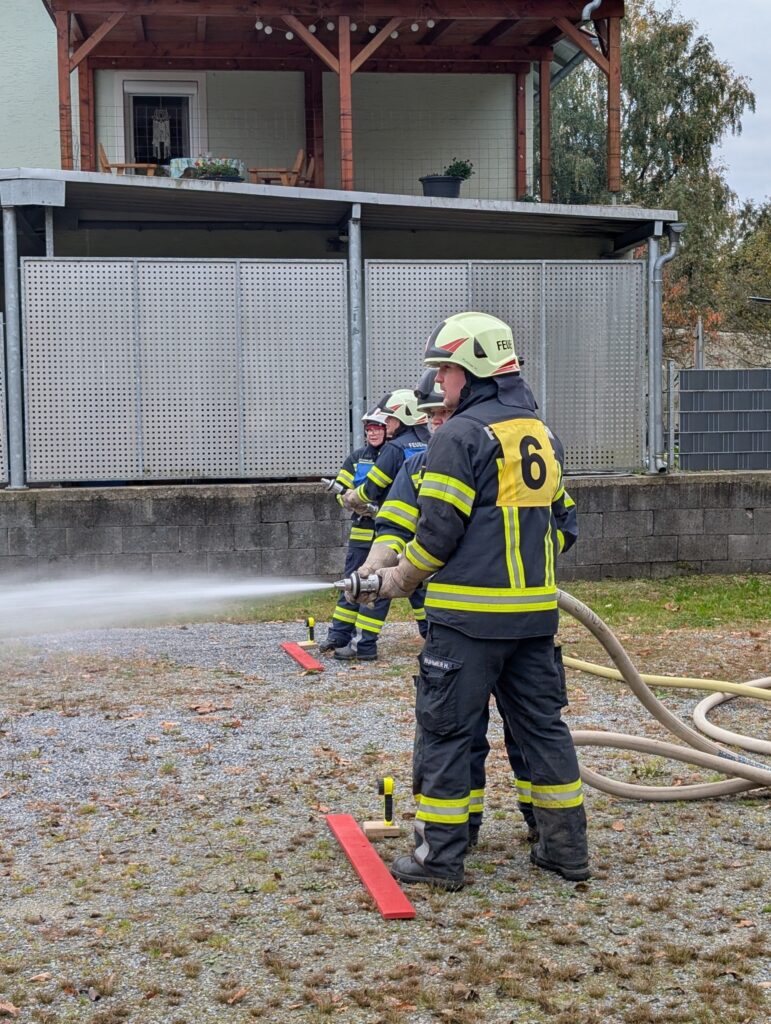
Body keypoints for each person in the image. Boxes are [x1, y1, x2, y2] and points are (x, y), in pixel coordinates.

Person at [370, 311, 588, 889]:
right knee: (543, 731)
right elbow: (562, 527)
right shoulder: (541, 435)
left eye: (445, 371)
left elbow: (438, 534)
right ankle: (565, 851)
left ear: (473, 369)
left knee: (446, 734)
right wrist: (522, 569)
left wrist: (398, 581)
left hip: (466, 624)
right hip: (534, 621)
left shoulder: (460, 436)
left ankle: (439, 858)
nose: (439, 383)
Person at [357, 369, 556, 849]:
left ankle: (457, 846)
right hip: (521, 617)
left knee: (465, 730)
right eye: (432, 418)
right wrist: (372, 569)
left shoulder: (476, 446)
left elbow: (557, 523)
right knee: (516, 731)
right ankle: (520, 837)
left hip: (467, 622)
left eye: (445, 412)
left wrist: (421, 573)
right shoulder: (421, 465)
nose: (440, 423)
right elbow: (394, 526)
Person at [333, 389, 431, 661]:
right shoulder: (434, 444)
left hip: (395, 531)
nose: (386, 425)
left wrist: (353, 498)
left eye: (390, 419)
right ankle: (435, 638)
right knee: (420, 586)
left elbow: (372, 486)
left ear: (405, 417)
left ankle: (364, 645)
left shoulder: (395, 448)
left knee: (376, 583)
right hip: (427, 532)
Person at [318, 408, 390, 658]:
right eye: (369, 429)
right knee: (351, 583)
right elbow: (341, 491)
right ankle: (339, 635)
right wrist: (352, 502)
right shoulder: (358, 458)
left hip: (388, 532)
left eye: (377, 428)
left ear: (387, 430)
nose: (373, 433)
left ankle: (427, 633)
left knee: (382, 585)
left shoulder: (393, 456)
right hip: (362, 531)